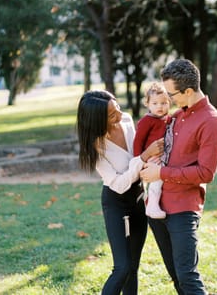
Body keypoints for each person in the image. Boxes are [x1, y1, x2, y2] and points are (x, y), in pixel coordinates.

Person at [140, 59, 217, 295]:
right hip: (157, 208)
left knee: (187, 277)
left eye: (171, 94)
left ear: (188, 91)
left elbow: (205, 173)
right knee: (176, 277)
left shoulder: (211, 122)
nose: (168, 99)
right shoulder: (177, 116)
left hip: (183, 209)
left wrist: (161, 173)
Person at [76, 90, 164, 295]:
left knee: (133, 268)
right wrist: (144, 157)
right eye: (111, 115)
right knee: (122, 267)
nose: (119, 114)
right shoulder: (95, 146)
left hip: (138, 198)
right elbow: (119, 184)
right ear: (97, 121)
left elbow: (136, 157)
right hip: (116, 202)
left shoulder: (126, 120)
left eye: (117, 108)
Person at [133, 82, 172, 219]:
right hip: (151, 158)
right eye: (155, 103)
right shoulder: (147, 121)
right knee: (157, 179)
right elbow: (138, 142)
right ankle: (152, 206)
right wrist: (141, 161)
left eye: (164, 103)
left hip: (164, 156)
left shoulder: (169, 118)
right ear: (148, 104)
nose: (160, 106)